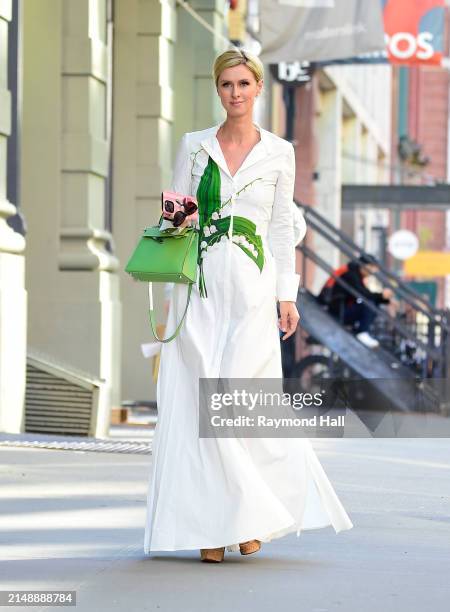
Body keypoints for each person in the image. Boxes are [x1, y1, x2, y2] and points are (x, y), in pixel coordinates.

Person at [144, 48, 353, 563]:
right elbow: (176, 216)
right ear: (218, 91)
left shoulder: (279, 152)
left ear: (258, 88)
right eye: (225, 85)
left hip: (255, 294)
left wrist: (288, 296)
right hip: (200, 292)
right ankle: (213, 525)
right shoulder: (195, 147)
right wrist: (174, 282)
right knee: (201, 401)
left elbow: (283, 230)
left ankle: (249, 515)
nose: (234, 93)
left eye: (243, 84)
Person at [318, 254, 393, 349]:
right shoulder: (351, 274)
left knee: (373, 303)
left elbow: (366, 293)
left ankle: (363, 332)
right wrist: (381, 295)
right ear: (365, 265)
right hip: (337, 311)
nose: (373, 272)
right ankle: (362, 332)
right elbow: (363, 294)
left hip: (343, 309)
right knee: (369, 303)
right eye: (372, 268)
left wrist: (384, 299)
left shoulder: (357, 275)